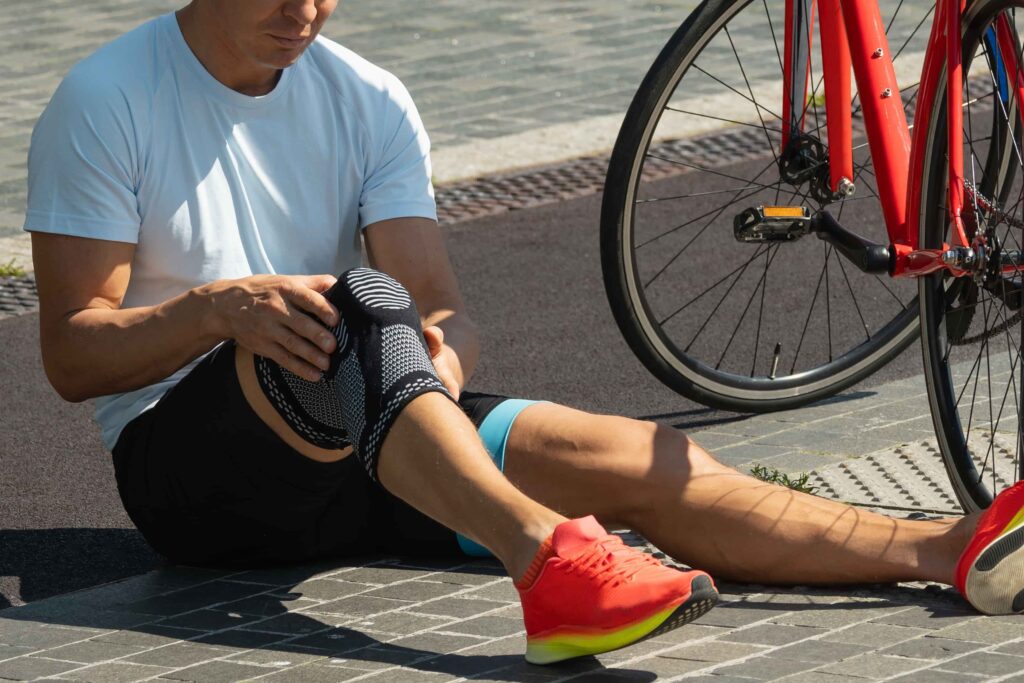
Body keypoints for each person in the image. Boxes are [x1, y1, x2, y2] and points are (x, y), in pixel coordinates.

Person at [25, 0, 1024, 666]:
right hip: (195, 472)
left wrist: (430, 358)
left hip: (368, 433)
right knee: (357, 311)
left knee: (642, 453)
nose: (305, 11)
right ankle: (547, 559)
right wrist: (215, 308)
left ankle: (947, 546)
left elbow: (434, 303)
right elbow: (73, 352)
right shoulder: (108, 98)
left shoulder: (367, 95)